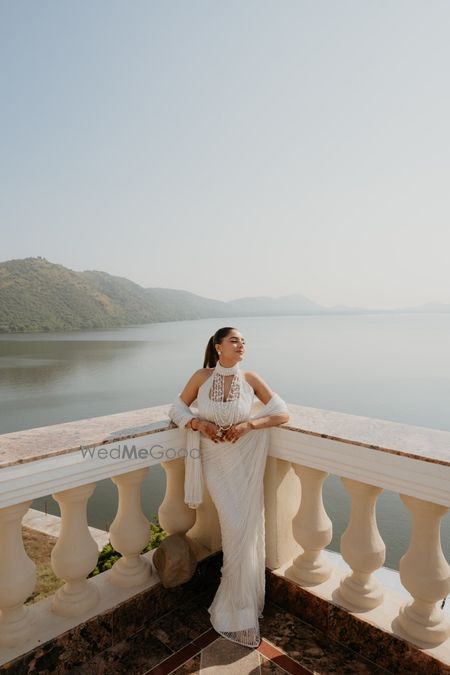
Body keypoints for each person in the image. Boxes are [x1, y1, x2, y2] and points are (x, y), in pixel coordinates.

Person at [168, 326, 289, 648]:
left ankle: (242, 605)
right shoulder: (201, 377)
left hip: (245, 465)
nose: (241, 345)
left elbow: (281, 412)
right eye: (234, 340)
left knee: (244, 529)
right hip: (214, 463)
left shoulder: (251, 378)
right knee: (233, 526)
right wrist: (197, 423)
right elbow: (176, 408)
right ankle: (233, 602)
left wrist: (250, 424)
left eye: (243, 341)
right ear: (218, 346)